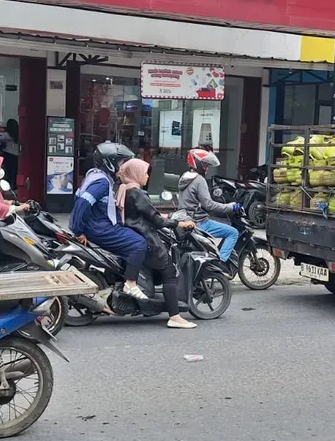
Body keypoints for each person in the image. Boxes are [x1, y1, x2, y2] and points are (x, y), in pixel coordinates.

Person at [117, 157, 198, 329]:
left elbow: (146, 214)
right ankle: (175, 317)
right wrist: (179, 223)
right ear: (136, 173)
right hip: (146, 238)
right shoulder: (138, 193)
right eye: (145, 173)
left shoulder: (124, 189)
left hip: (133, 236)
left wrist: (165, 217)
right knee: (169, 272)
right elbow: (156, 221)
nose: (147, 177)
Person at [70, 141, 149, 301]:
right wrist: (78, 230)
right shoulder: (101, 182)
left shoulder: (93, 176)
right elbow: (82, 204)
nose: (123, 167)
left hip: (96, 225)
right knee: (139, 243)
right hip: (100, 228)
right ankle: (131, 284)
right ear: (110, 163)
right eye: (121, 163)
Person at [177, 149, 240, 263]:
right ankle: (220, 263)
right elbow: (209, 205)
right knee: (233, 233)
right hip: (199, 222)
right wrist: (230, 207)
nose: (206, 168)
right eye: (205, 164)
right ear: (198, 163)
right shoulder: (199, 180)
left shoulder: (184, 177)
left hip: (186, 219)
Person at [0, 119, 20, 193]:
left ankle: (8, 186)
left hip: (8, 154)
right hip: (17, 155)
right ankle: (14, 186)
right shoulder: (19, 133)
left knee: (8, 171)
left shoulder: (6, 134)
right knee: (15, 171)